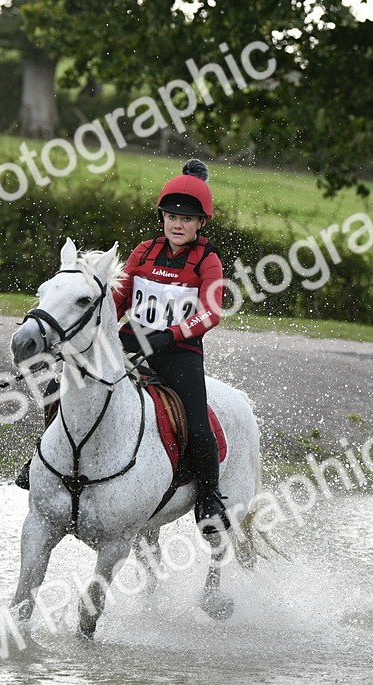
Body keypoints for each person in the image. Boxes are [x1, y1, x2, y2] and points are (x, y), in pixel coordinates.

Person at [112, 158, 229, 533]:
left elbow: (211, 312)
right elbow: (118, 300)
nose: (177, 225)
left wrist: (173, 333)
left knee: (196, 421)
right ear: (162, 217)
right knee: (70, 382)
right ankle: (44, 460)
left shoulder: (207, 260)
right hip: (132, 341)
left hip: (180, 352)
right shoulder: (144, 251)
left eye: (187, 219)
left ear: (200, 224)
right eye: (172, 217)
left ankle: (209, 497)